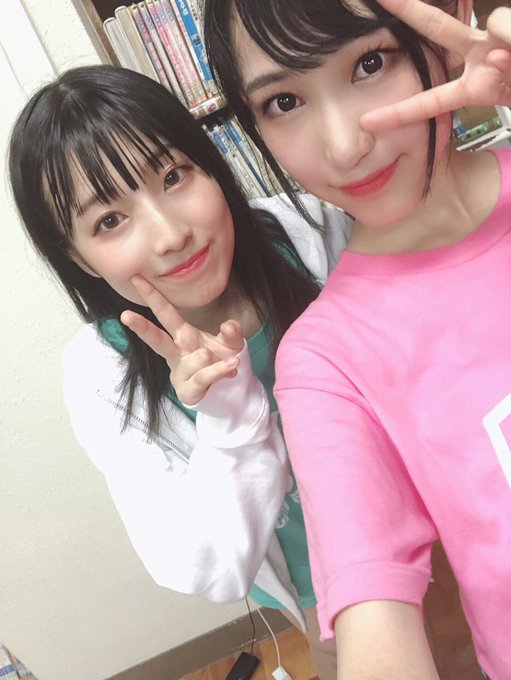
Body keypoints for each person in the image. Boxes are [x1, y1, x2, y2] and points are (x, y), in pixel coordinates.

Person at [8, 65, 352, 679]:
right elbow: (210, 567)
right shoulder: (101, 373)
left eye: (173, 176)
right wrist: (229, 417)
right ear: (76, 256)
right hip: (317, 589)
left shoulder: (311, 232)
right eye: (109, 220)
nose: (172, 234)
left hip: (422, 515)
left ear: (208, 161)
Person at [203, 0, 511, 678]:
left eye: (370, 63)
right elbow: (374, 616)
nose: (344, 145)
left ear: (446, 26)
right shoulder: (325, 363)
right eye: (284, 102)